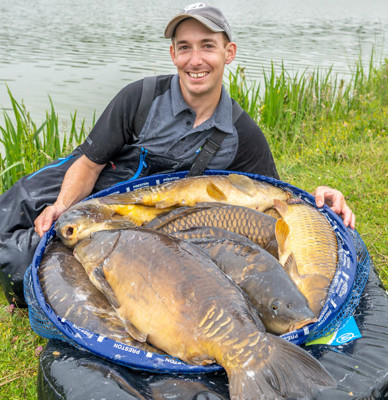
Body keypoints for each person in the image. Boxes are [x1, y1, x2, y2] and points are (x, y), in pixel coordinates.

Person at [0, 2, 355, 306]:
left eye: (207, 46)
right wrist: (62, 206)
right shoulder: (138, 98)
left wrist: (321, 197)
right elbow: (89, 164)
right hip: (104, 187)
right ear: (173, 54)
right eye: (184, 47)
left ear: (228, 53)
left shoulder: (242, 135)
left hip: (159, 221)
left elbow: (278, 202)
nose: (195, 60)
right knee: (16, 254)